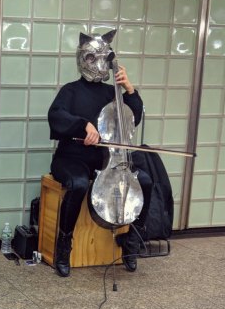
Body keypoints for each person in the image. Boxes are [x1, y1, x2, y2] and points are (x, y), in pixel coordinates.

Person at [48, 30, 152, 277]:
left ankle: (131, 239)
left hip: (109, 160)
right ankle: (64, 243)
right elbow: (56, 116)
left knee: (146, 181)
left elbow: (132, 119)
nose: (97, 63)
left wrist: (129, 90)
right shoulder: (70, 91)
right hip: (72, 157)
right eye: (92, 58)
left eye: (102, 58)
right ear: (83, 59)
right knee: (78, 184)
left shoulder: (111, 93)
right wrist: (83, 124)